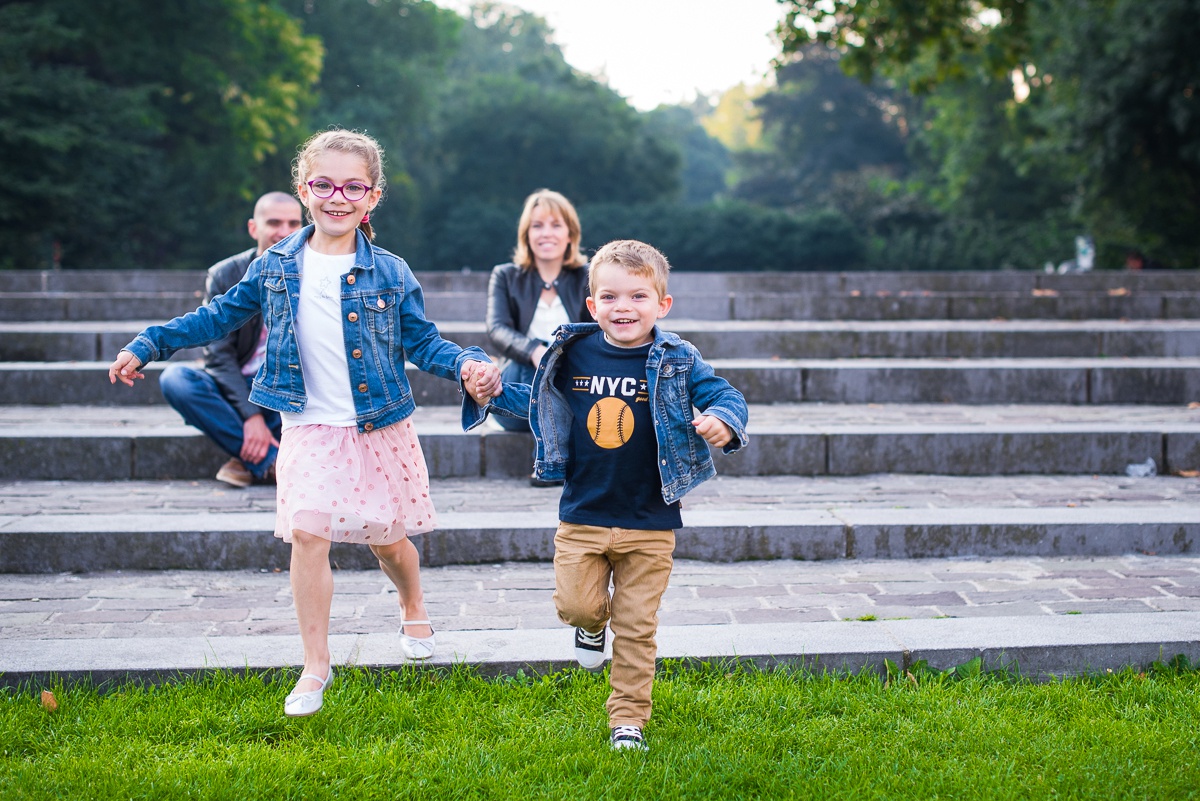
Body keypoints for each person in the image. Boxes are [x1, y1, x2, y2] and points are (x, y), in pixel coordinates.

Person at [108, 129, 501, 718]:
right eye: (323, 184)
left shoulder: (391, 273)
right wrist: (151, 342)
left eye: (352, 187)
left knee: (388, 541)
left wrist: (468, 364)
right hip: (309, 426)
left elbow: (422, 341)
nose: (336, 197)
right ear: (304, 190)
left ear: (372, 198)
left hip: (376, 425)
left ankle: (412, 601)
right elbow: (217, 316)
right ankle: (316, 665)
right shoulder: (275, 266)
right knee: (309, 534)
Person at [471, 239, 749, 752]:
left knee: (638, 626)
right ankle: (590, 626)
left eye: (639, 297)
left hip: (650, 519)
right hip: (584, 514)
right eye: (611, 297)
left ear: (661, 305)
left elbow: (725, 395)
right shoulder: (572, 351)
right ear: (592, 304)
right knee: (578, 606)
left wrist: (722, 422)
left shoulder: (678, 358)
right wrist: (488, 393)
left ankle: (627, 720)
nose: (625, 308)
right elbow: (538, 402)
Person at [159, 192, 303, 488]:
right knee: (176, 379)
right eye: (274, 222)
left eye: (293, 223)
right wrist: (250, 417)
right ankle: (270, 461)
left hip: (290, 394)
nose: (284, 232)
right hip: (241, 388)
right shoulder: (227, 274)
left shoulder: (315, 271)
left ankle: (245, 460)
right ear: (254, 228)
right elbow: (219, 354)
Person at [485, 189, 590, 486]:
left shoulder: (588, 276)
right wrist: (535, 351)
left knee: (559, 363)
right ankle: (553, 459)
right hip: (518, 402)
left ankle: (548, 461)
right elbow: (497, 329)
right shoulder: (505, 275)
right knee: (542, 360)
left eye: (556, 225)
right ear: (526, 234)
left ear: (570, 234)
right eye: (537, 225)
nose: (547, 233)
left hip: (574, 389)